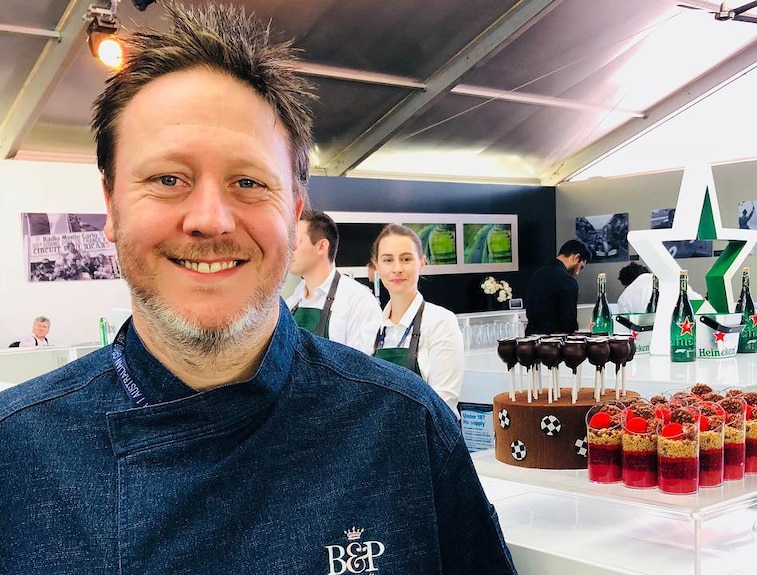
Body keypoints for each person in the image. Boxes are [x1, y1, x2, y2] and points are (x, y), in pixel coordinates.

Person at [0, 4, 516, 574]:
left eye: (248, 182)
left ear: (293, 212)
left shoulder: (404, 428)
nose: (211, 220)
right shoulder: (16, 449)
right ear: (112, 207)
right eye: (167, 179)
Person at [371, 224, 464, 417]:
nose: (397, 269)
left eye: (406, 259)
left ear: (422, 263)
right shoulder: (370, 327)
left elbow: (443, 404)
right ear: (377, 266)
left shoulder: (440, 322)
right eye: (388, 260)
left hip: (429, 441)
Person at [285, 209, 381, 354]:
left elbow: (361, 368)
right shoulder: (291, 302)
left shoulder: (358, 301)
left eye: (296, 242)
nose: (290, 249)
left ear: (321, 246)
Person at [525, 239, 591, 335]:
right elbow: (568, 324)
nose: (577, 273)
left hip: (531, 340)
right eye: (580, 267)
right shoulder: (567, 281)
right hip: (553, 345)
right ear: (576, 258)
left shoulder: (537, 275)